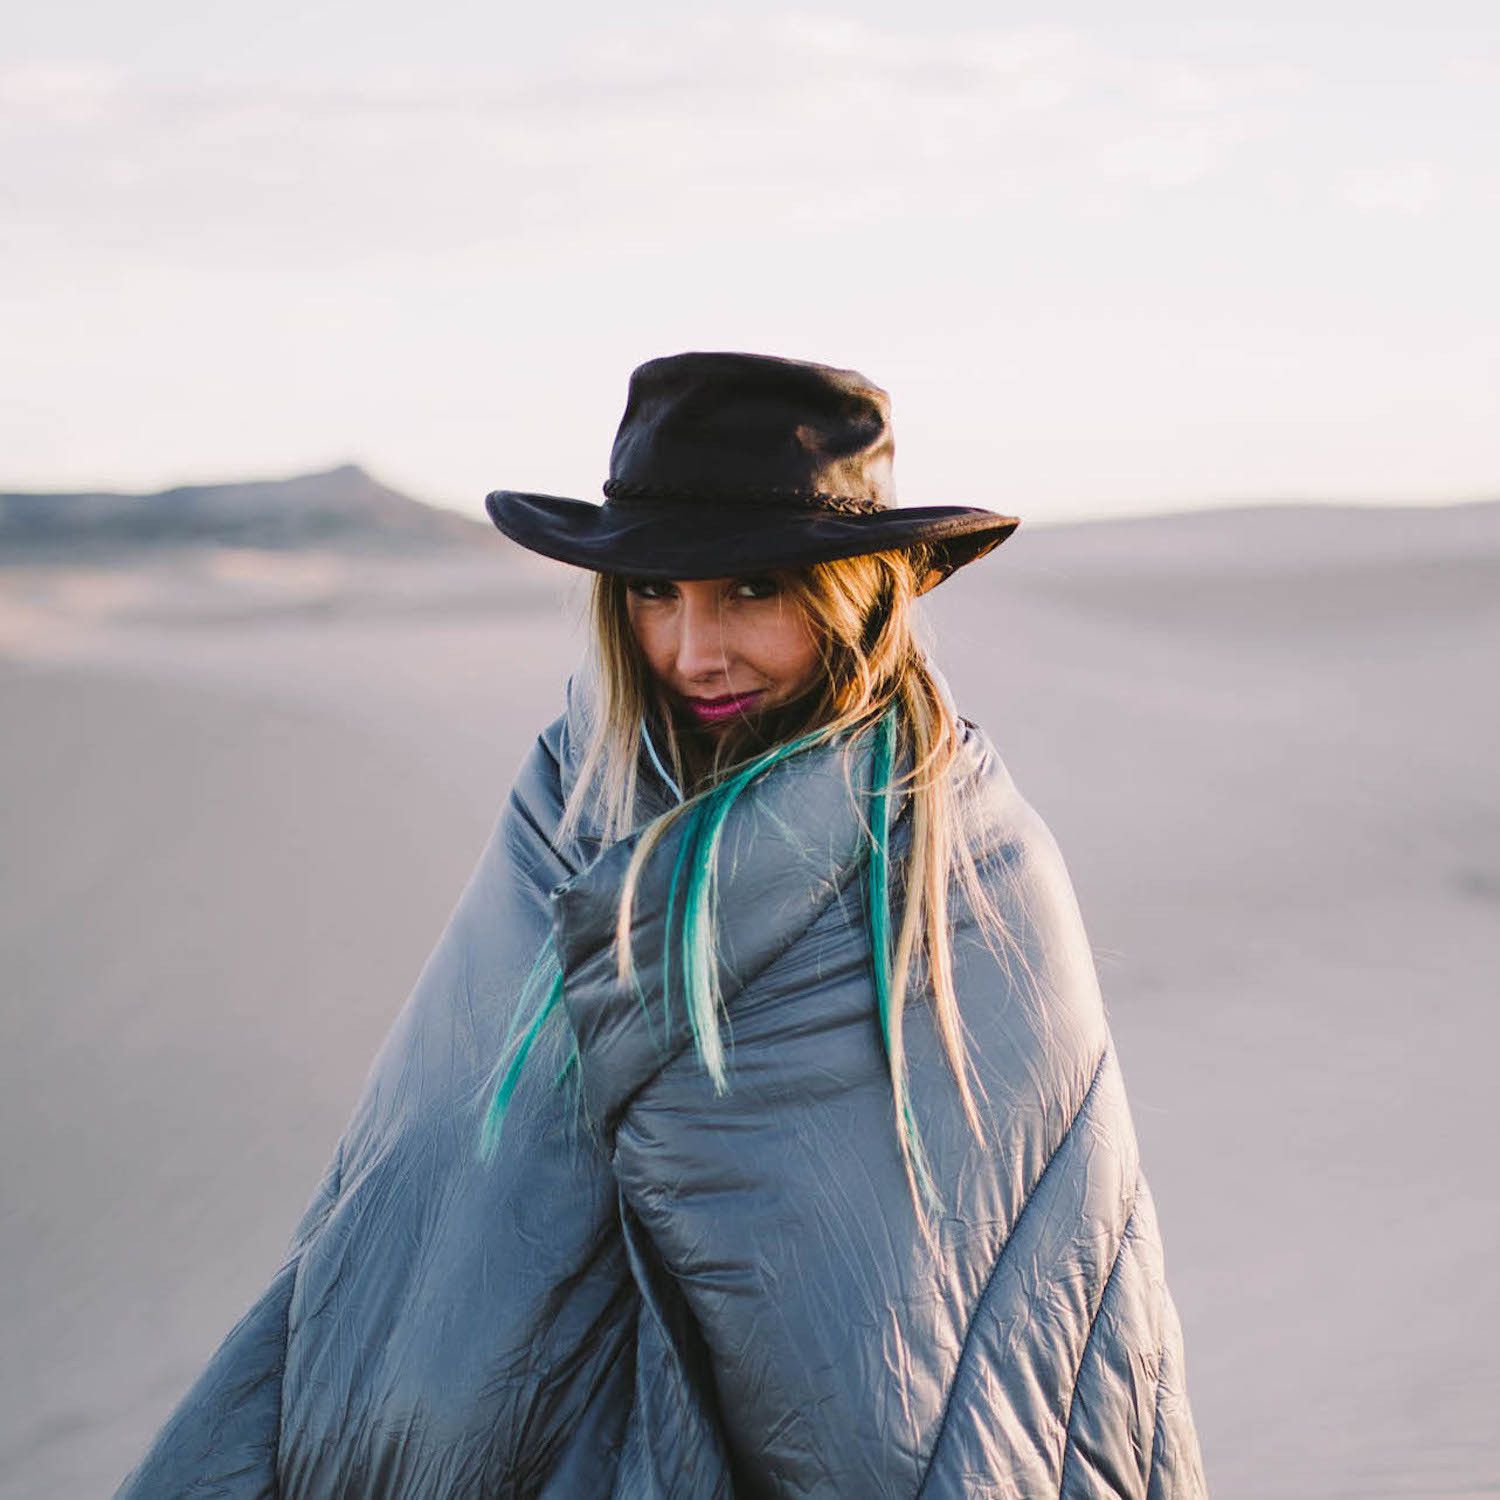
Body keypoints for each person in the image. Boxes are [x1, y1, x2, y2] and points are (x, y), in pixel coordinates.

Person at [116, 351, 1209, 1498]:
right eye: (654, 591)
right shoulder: (567, 808)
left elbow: (1003, 1295)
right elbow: (424, 1189)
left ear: (861, 593)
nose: (695, 651)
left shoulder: (973, 866)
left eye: (753, 589)